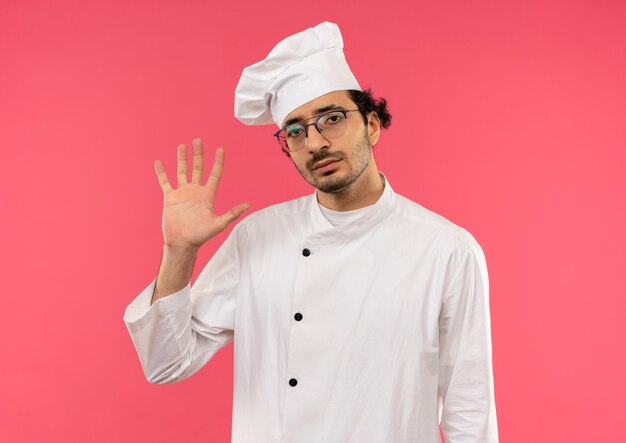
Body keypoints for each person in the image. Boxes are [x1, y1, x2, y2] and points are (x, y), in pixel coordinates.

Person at [123, 21, 499, 443]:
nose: (316, 143)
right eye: (296, 131)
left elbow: (471, 411)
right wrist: (178, 252)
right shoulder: (257, 238)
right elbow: (165, 363)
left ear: (372, 124)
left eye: (332, 119)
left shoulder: (447, 251)